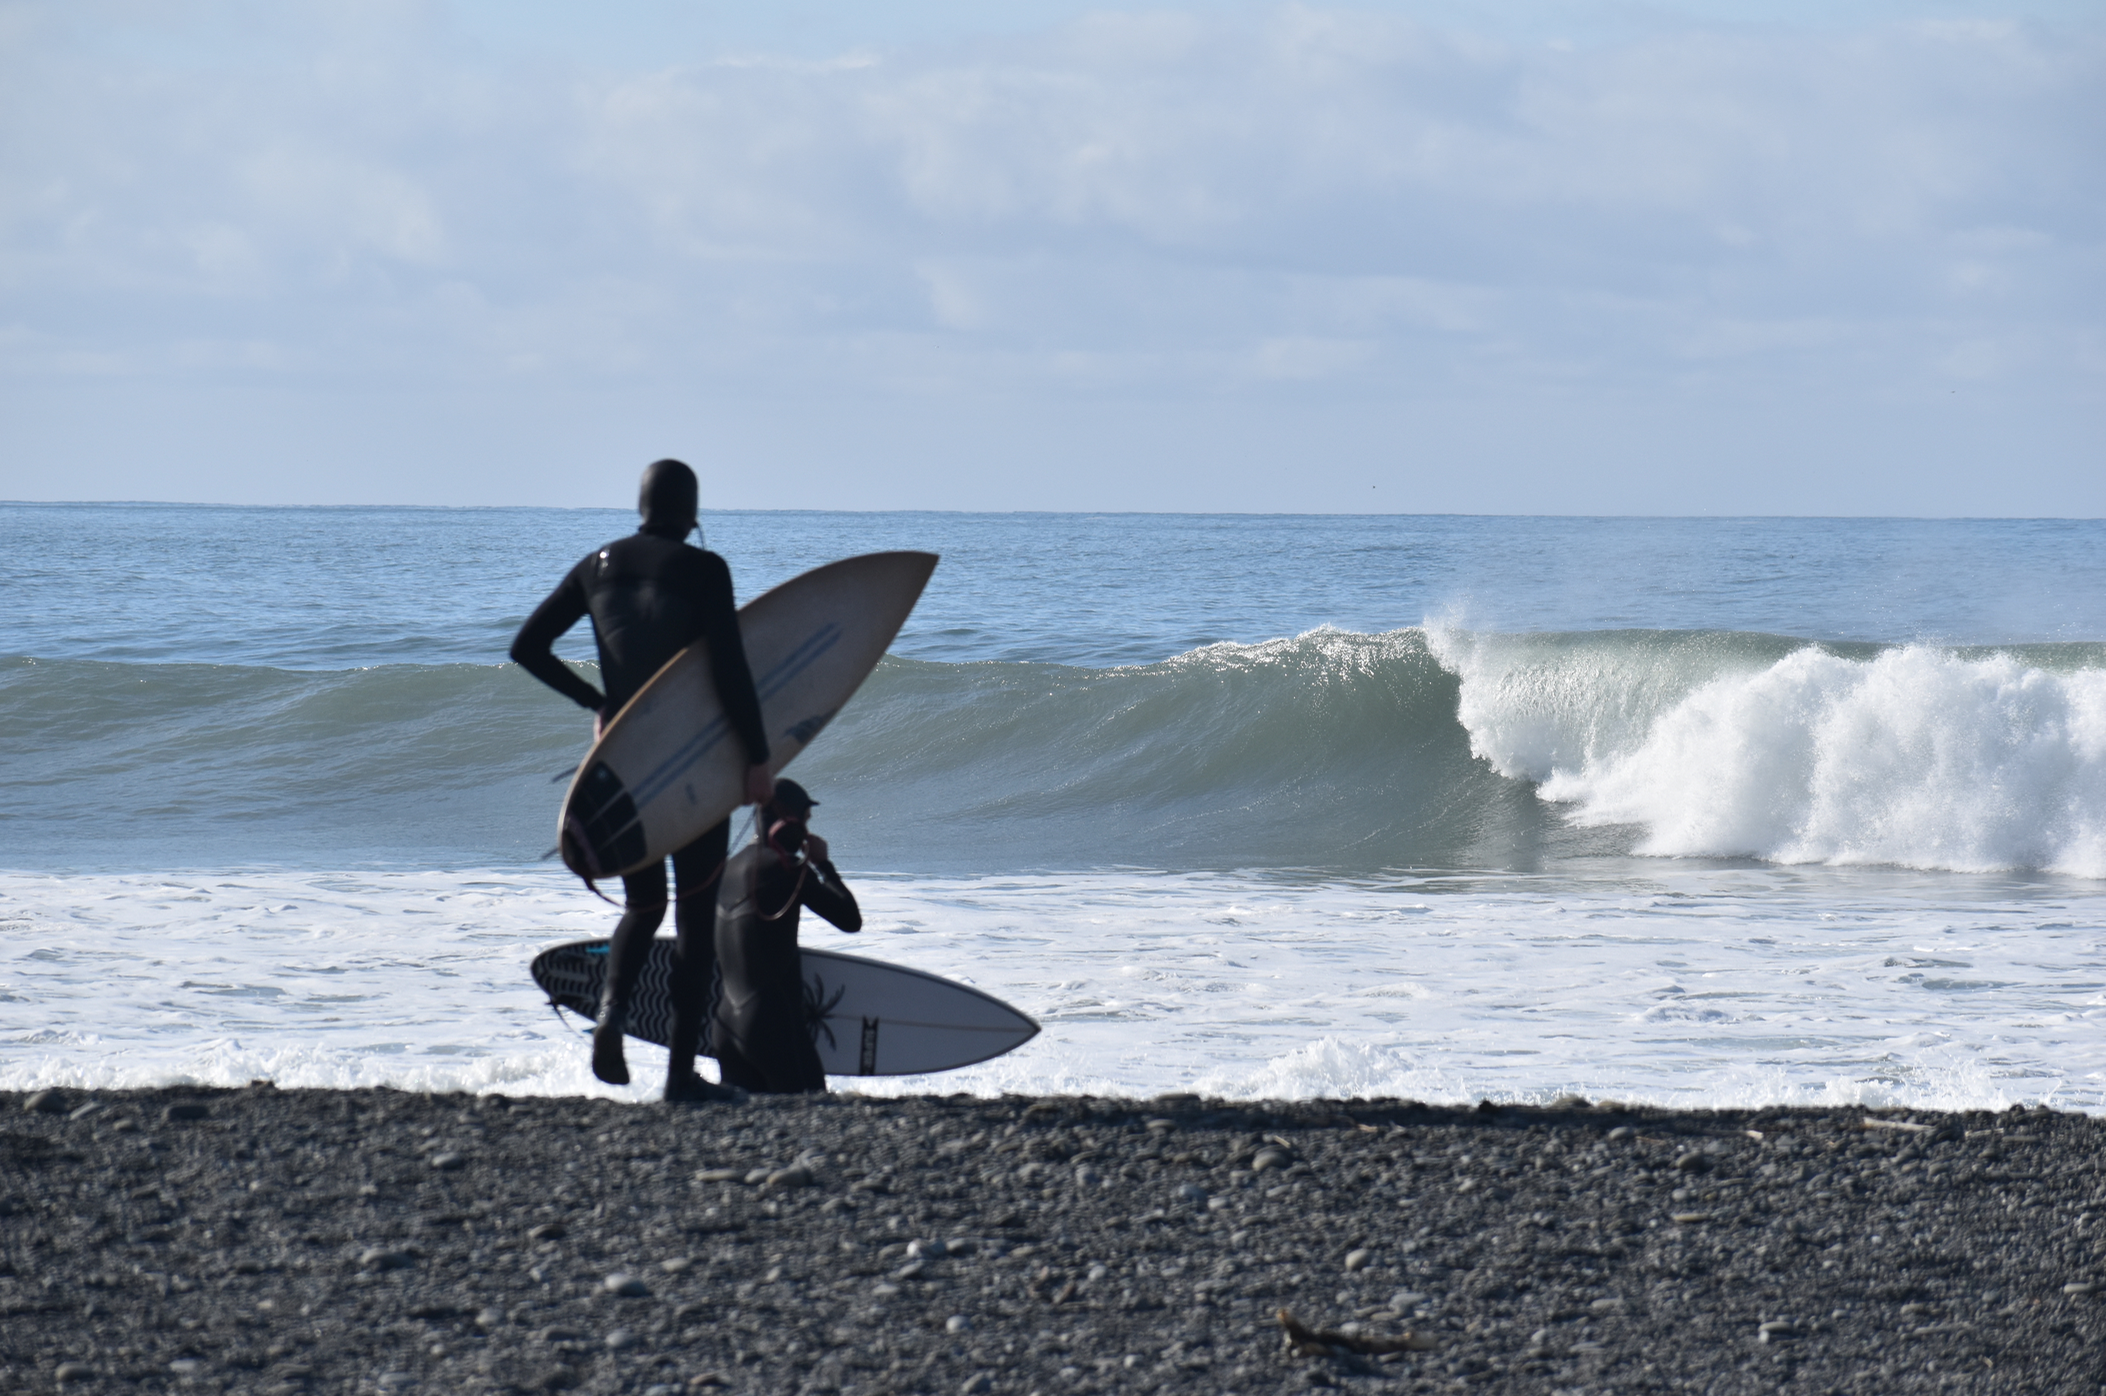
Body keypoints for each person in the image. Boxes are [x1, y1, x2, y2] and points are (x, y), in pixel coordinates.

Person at [510, 458, 774, 1103]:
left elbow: (528, 647)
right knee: (692, 918)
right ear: (692, 512)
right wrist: (758, 757)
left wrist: (596, 704)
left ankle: (611, 1017)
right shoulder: (705, 570)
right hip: (691, 764)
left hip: (624, 763)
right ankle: (681, 1077)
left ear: (641, 505)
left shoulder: (595, 565)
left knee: (642, 904)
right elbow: (730, 671)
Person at [713, 778, 862, 1094]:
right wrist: (824, 865)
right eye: (805, 822)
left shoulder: (726, 870)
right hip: (772, 1027)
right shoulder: (786, 868)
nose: (807, 834)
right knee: (812, 1118)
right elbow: (850, 919)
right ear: (787, 818)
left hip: (725, 1026)